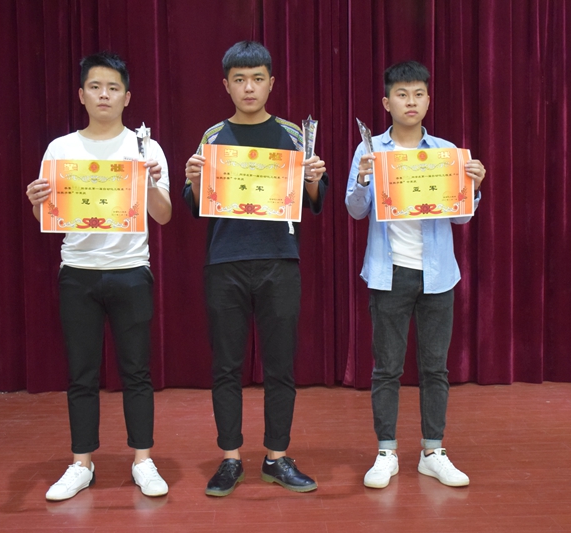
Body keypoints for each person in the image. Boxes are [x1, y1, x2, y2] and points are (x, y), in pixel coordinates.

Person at [182, 41, 328, 497]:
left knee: (280, 364)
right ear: (226, 85)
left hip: (279, 261)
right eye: (240, 79)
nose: (249, 87)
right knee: (226, 365)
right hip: (225, 261)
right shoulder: (212, 137)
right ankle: (230, 459)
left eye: (258, 79)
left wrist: (313, 180)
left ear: (271, 83)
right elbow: (194, 207)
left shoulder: (292, 135)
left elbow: (314, 202)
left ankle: (276, 457)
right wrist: (194, 180)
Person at [25, 51, 173, 501]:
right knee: (81, 373)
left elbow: (164, 215)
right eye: (95, 87)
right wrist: (36, 201)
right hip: (78, 273)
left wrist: (151, 182)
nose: (104, 95)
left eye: (113, 88)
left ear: (127, 97)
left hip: (131, 271)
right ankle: (81, 464)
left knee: (137, 372)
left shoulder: (145, 149)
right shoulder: (61, 149)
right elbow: (47, 218)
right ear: (81, 95)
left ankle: (143, 459)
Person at [345, 61, 486, 489]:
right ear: (386, 102)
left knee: (435, 368)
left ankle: (432, 451)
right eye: (402, 94)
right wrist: (363, 180)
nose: (411, 101)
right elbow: (355, 210)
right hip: (389, 273)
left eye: (419, 94)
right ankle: (386, 452)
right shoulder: (370, 151)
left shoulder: (446, 152)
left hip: (437, 275)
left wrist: (475, 187)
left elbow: (461, 218)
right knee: (386, 368)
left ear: (428, 100)